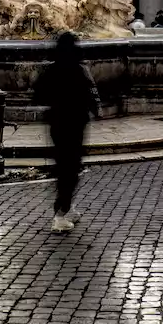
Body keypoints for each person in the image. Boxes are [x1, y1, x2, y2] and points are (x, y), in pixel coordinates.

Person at [33, 32, 100, 232]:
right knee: (69, 170)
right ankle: (59, 214)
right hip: (75, 123)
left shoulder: (52, 70)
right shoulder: (78, 70)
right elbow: (88, 93)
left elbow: (38, 94)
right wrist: (94, 109)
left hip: (59, 123)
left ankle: (66, 207)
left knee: (67, 167)